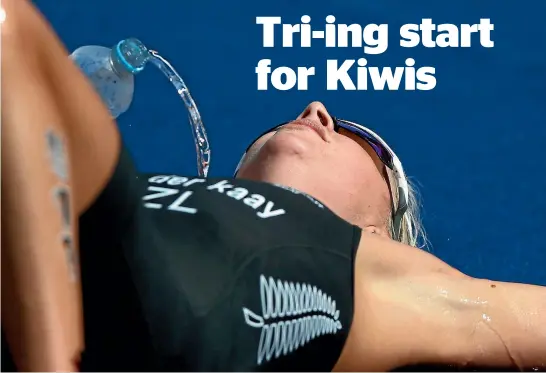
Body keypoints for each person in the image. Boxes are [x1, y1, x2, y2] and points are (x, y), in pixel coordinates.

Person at [2, 0, 545, 371]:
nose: (317, 109)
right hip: (73, 260)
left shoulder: (385, 277)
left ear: (382, 229)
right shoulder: (156, 194)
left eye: (361, 139)